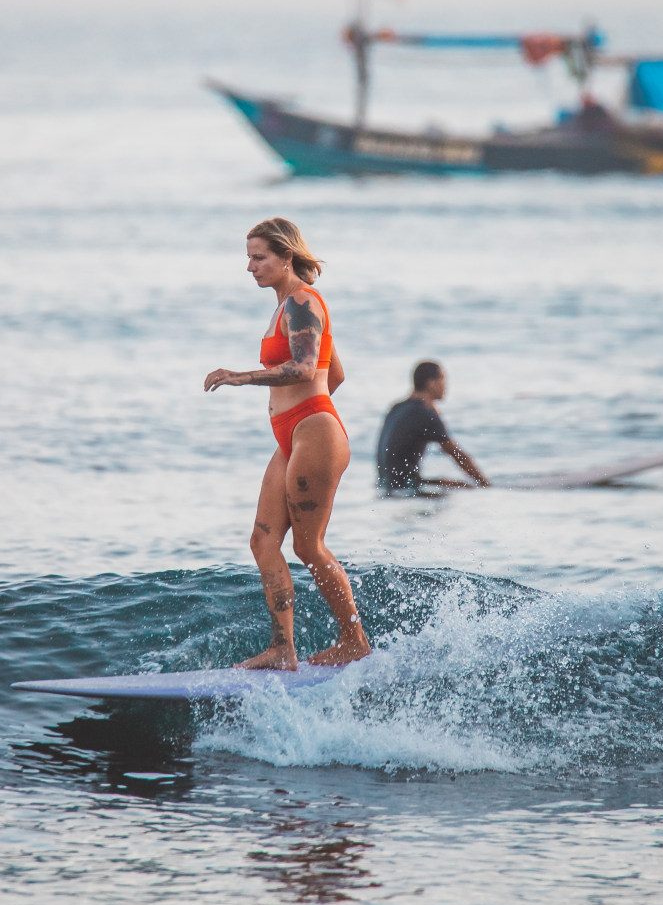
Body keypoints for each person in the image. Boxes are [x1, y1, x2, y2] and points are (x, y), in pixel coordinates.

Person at [204, 217, 371, 669]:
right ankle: (283, 649)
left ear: (286, 257)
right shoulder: (286, 306)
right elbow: (333, 372)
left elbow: (302, 368)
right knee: (263, 542)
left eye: (259, 257)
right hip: (296, 434)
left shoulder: (302, 302)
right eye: (249, 258)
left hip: (313, 432)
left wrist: (241, 377)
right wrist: (297, 415)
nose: (250, 267)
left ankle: (354, 640)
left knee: (308, 545)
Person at [376, 361, 491, 494]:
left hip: (386, 484)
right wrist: (485, 484)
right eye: (442, 379)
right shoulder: (424, 414)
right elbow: (456, 454)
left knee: (452, 484)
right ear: (431, 383)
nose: (445, 386)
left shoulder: (397, 408)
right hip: (405, 488)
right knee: (464, 490)